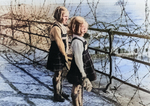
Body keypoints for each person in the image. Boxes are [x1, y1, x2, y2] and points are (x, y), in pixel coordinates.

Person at [67, 16, 96, 106]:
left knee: (79, 86)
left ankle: (80, 103)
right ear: (75, 28)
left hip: (82, 66)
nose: (85, 30)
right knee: (76, 86)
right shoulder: (77, 42)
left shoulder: (80, 39)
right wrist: (83, 74)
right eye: (82, 28)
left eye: (85, 28)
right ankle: (76, 103)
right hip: (79, 67)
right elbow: (78, 59)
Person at [46, 6, 69, 102]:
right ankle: (56, 94)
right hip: (57, 53)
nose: (66, 18)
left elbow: (66, 41)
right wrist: (64, 55)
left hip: (62, 52)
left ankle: (60, 90)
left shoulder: (63, 26)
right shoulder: (56, 28)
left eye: (67, 16)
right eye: (64, 16)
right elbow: (59, 43)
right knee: (57, 74)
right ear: (59, 16)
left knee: (61, 73)